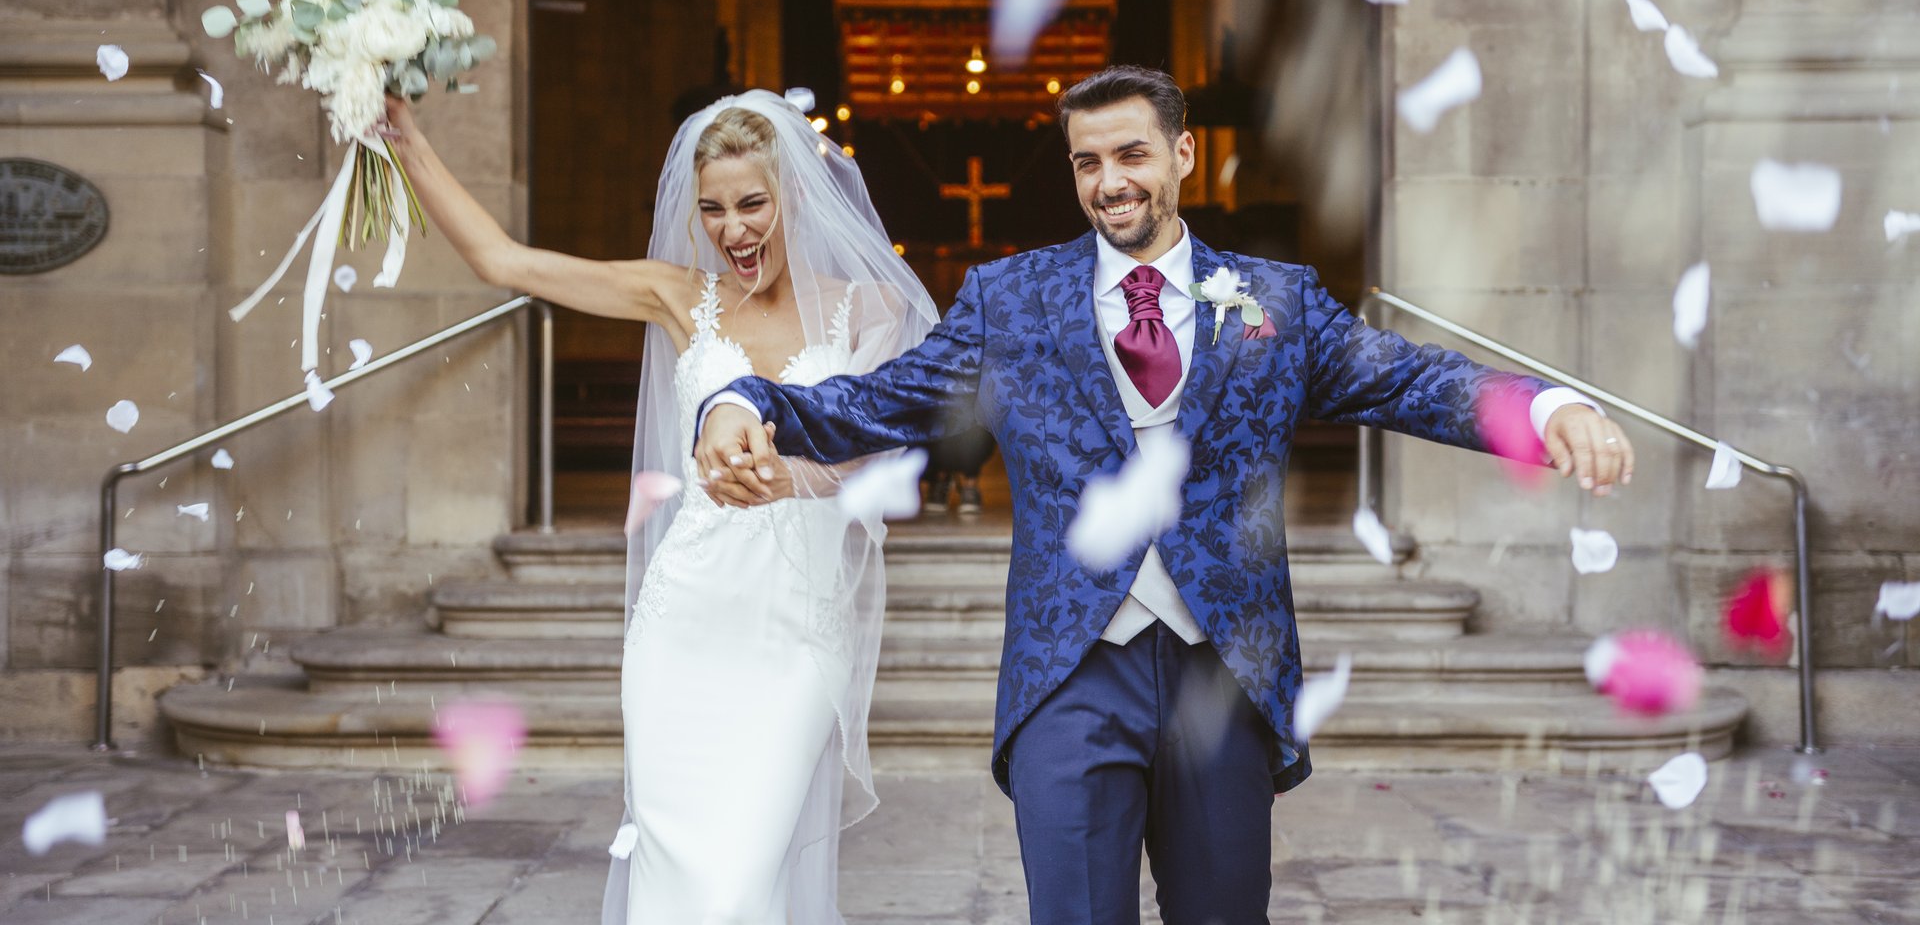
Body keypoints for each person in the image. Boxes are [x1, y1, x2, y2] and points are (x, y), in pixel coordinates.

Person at [695, 66, 1634, 924]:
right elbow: (878, 401)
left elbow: (1407, 378)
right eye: (1088, 161)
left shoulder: (1278, 300)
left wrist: (1539, 407)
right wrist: (741, 399)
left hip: (1222, 673)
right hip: (1070, 672)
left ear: (1183, 153)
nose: (1111, 182)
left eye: (1133, 153)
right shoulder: (1008, 300)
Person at [382, 89, 937, 925]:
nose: (732, 229)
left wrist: (790, 476)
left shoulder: (875, 310)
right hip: (685, 623)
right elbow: (504, 262)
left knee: (742, 872)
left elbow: (874, 465)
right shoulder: (678, 298)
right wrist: (404, 137)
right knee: (678, 871)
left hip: (793, 636)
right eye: (713, 209)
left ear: (798, 196)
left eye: (753, 204)